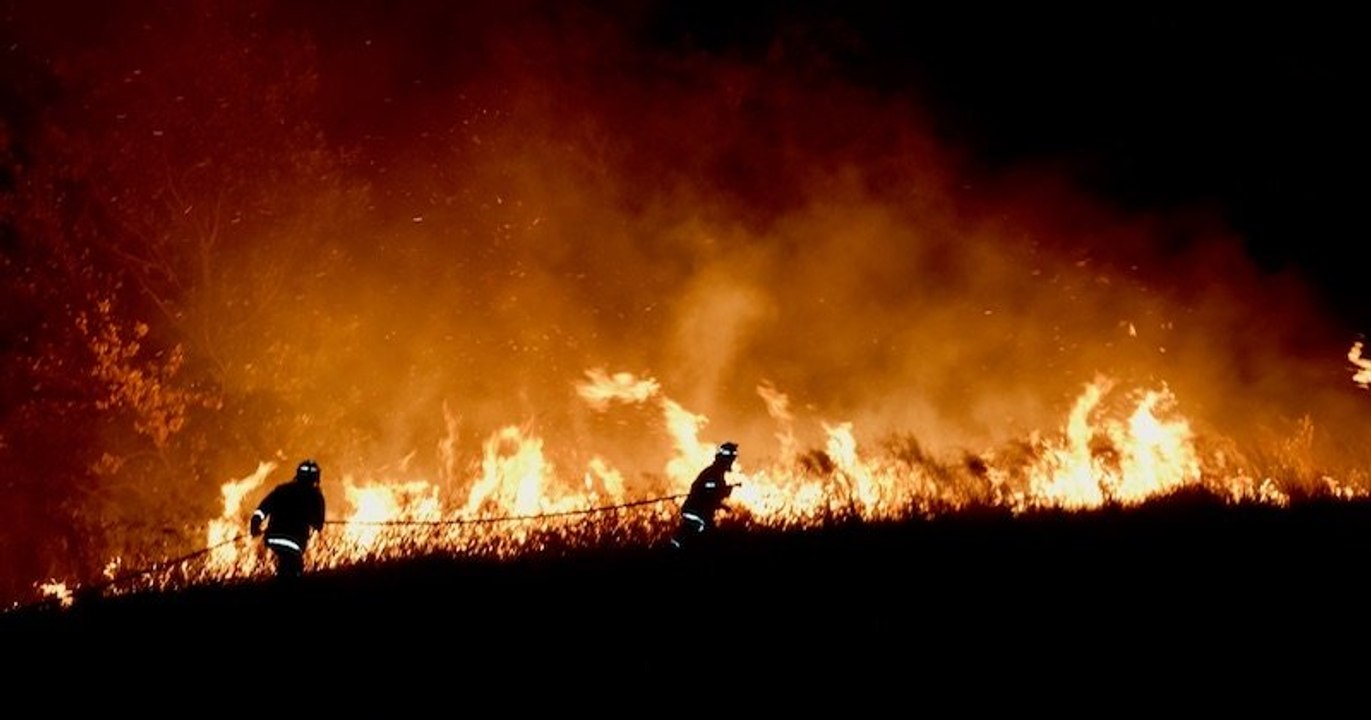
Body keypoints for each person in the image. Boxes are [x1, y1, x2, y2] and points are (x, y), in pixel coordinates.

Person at [250, 458, 326, 579]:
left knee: (284, 564)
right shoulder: (315, 496)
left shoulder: (282, 490)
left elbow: (262, 509)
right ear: (316, 478)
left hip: (273, 537)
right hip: (294, 541)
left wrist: (255, 524)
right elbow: (318, 524)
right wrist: (306, 517)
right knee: (294, 571)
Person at [670, 441, 739, 550]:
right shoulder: (713, 473)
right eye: (731, 459)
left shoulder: (717, 474)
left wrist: (722, 503)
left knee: (696, 534)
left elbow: (710, 496)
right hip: (696, 512)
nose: (731, 462)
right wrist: (723, 491)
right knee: (705, 534)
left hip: (698, 512)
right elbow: (708, 493)